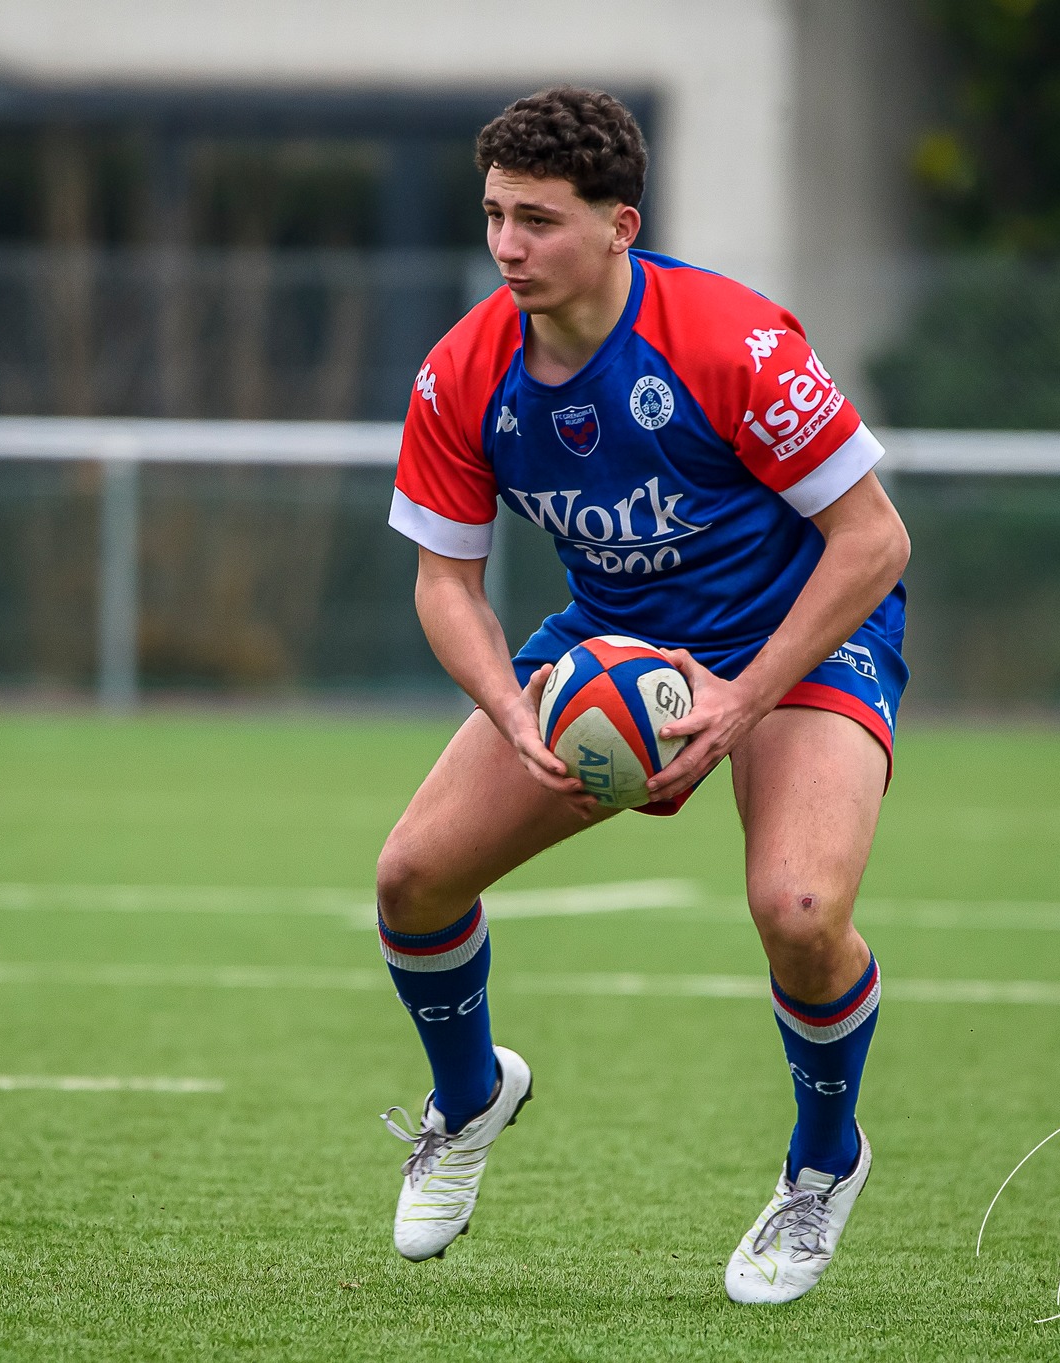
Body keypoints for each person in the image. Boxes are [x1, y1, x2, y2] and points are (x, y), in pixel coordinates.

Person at [375, 87, 910, 1304]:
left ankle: (822, 1163)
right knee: (411, 879)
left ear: (620, 224)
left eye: (541, 221)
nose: (508, 246)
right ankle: (468, 1100)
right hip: (610, 653)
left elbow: (872, 540)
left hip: (800, 641)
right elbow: (444, 585)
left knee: (798, 905)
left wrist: (740, 700)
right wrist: (514, 710)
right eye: (495, 216)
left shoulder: (732, 341)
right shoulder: (463, 371)